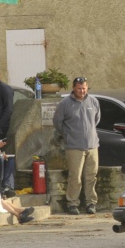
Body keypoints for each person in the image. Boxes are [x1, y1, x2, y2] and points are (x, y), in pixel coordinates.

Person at [53, 76, 100, 215]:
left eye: (84, 88)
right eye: (79, 88)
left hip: (92, 146)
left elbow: (96, 120)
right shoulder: (65, 104)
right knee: (75, 176)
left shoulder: (94, 102)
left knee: (91, 176)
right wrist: (68, 135)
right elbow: (57, 122)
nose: (82, 91)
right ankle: (72, 203)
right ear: (73, 88)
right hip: (74, 147)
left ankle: (91, 203)